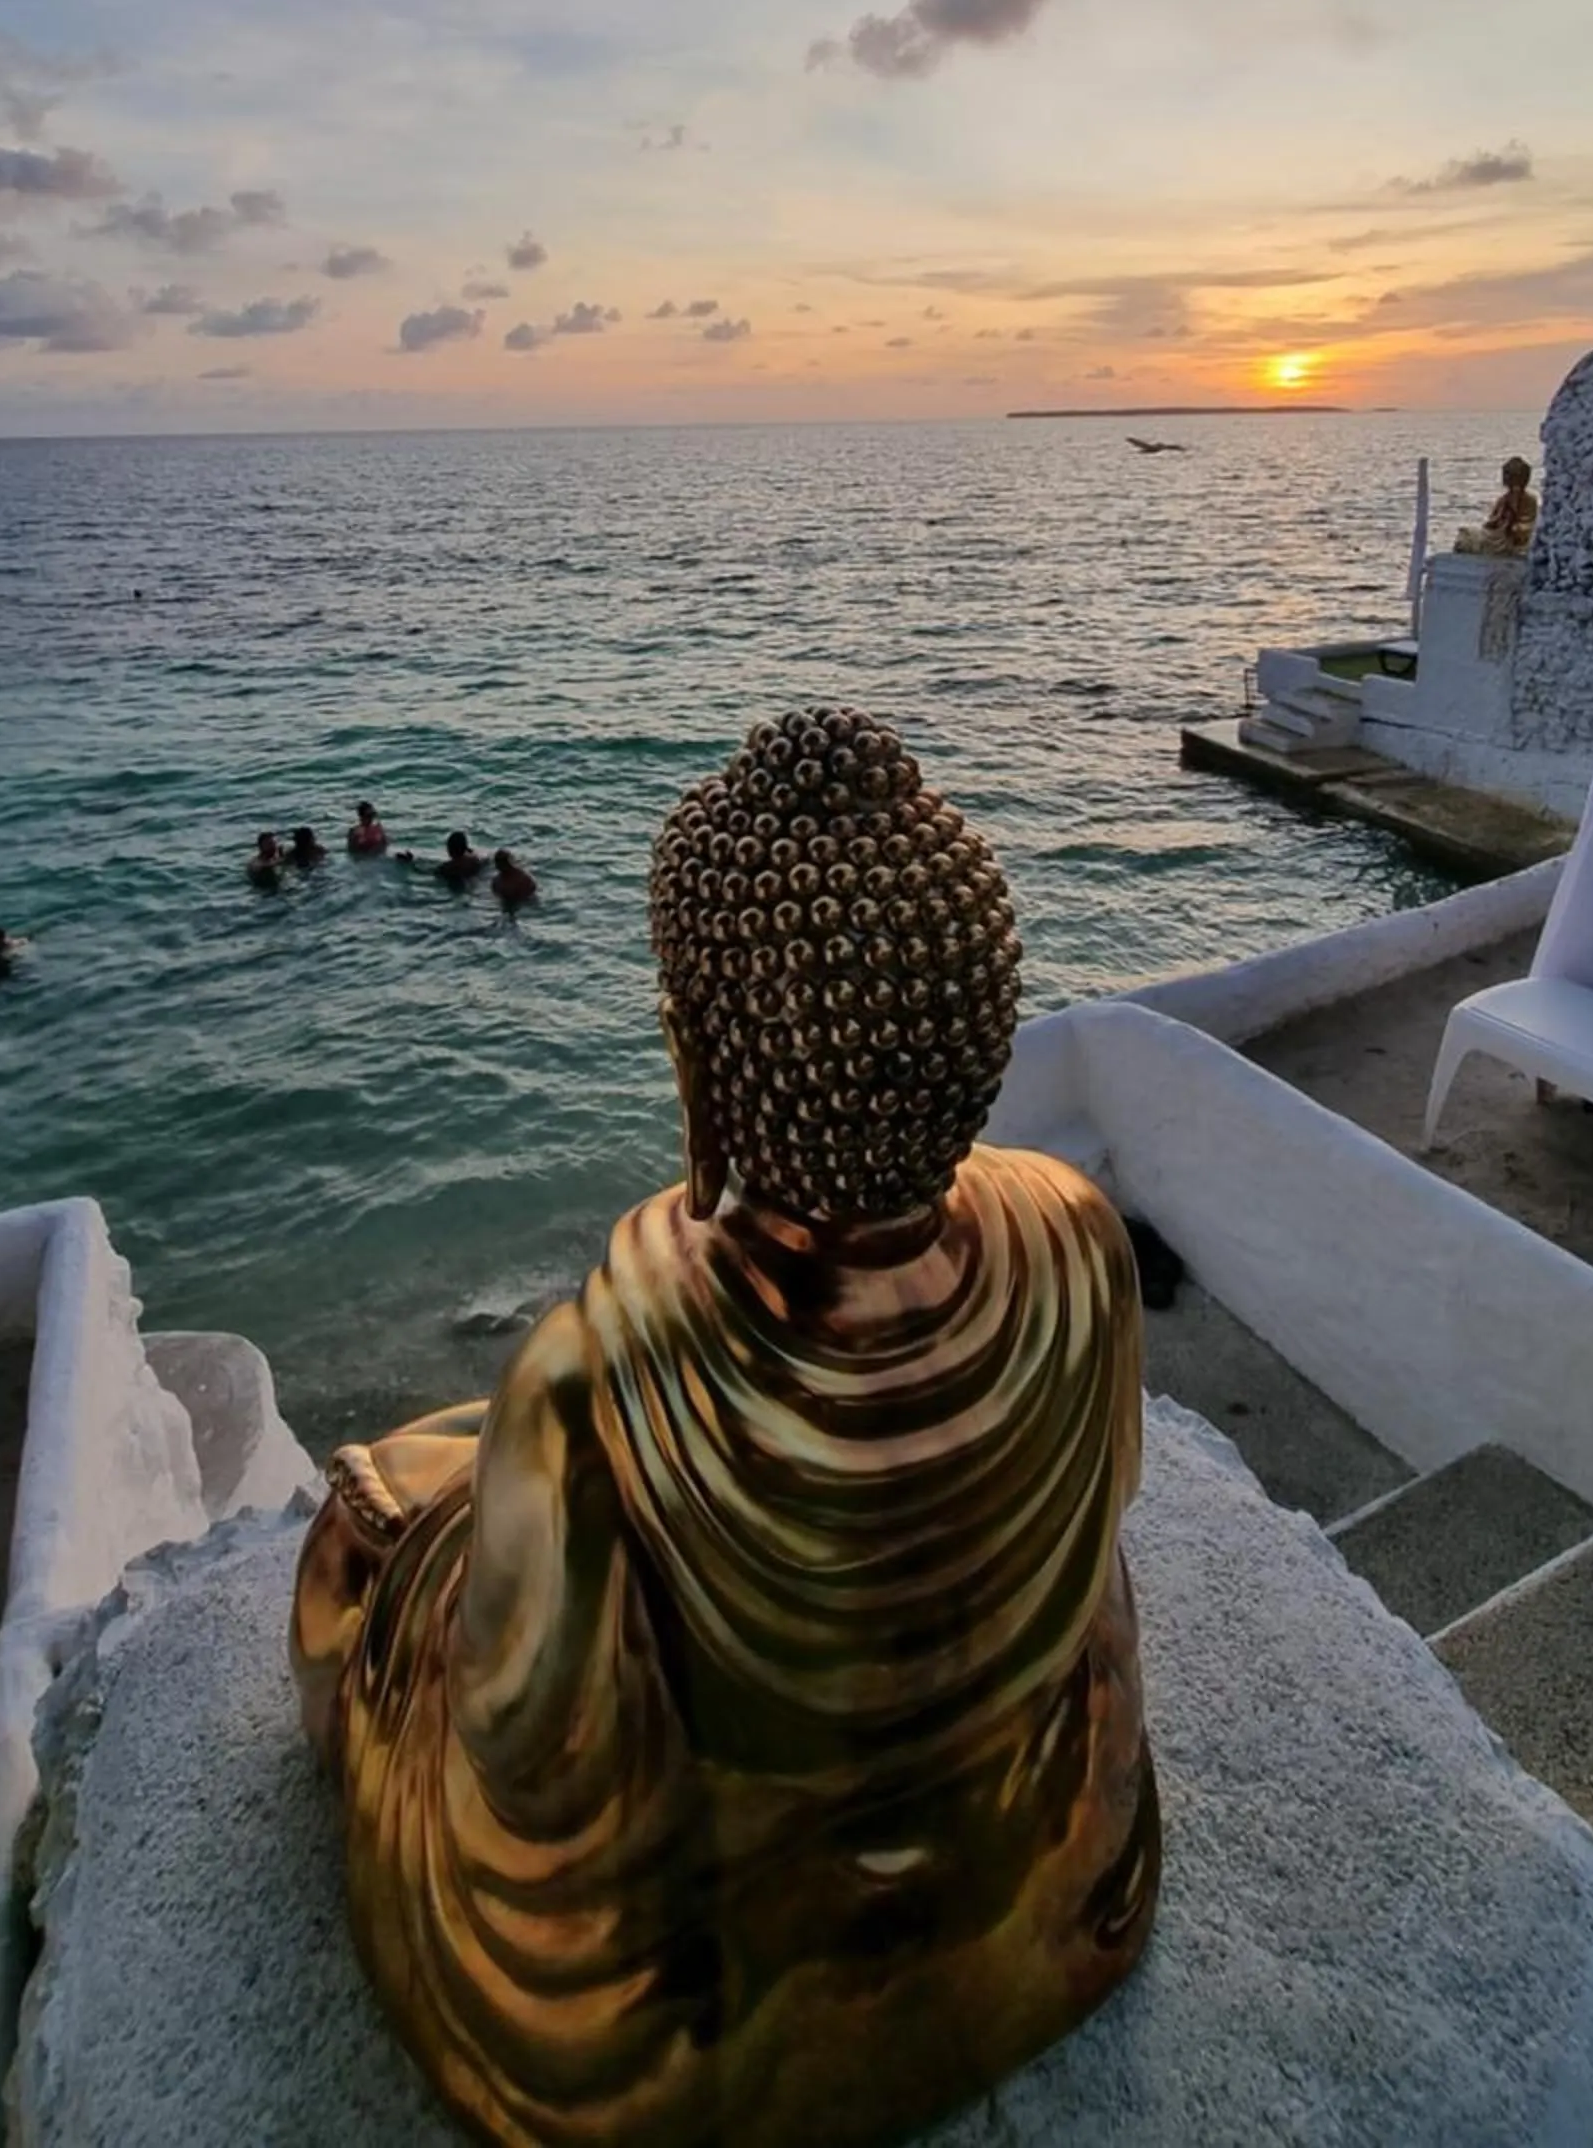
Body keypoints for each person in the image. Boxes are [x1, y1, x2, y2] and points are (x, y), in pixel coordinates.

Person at [290, 710, 1155, 2148]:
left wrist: (441, 1560)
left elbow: (529, 1759)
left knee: (357, 1551)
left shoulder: (596, 1370)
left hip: (707, 2007)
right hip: (1034, 1874)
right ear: (968, 1034)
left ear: (705, 1053)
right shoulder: (1072, 1234)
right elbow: (1091, 1552)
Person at [1455, 455, 1539, 558]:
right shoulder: (1503, 499)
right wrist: (1500, 523)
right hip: (1498, 535)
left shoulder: (1530, 500)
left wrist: (1514, 526)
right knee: (1466, 534)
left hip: (1515, 536)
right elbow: (1492, 521)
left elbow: (1529, 523)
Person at [397, 830, 488, 888]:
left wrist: (411, 862)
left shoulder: (446, 868)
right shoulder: (475, 860)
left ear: (449, 850)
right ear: (465, 848)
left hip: (454, 881)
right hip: (474, 880)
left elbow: (423, 872)